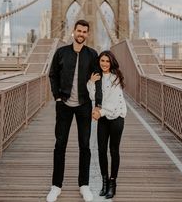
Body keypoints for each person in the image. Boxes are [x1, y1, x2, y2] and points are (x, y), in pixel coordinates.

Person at [47, 19, 102, 202]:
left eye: (85, 32)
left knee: (85, 146)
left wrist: (98, 105)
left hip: (84, 106)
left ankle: (84, 185)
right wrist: (56, 96)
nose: (81, 34)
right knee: (59, 145)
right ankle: (56, 186)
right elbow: (53, 74)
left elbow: (98, 80)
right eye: (79, 31)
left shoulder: (92, 55)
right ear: (74, 32)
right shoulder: (61, 53)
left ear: (88, 34)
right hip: (64, 106)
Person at [87, 50, 127, 199]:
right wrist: (91, 82)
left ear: (111, 63)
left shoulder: (116, 78)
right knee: (101, 150)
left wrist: (99, 113)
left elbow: (114, 103)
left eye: (107, 61)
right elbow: (92, 96)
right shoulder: (96, 77)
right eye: (102, 61)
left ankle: (112, 183)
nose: (104, 64)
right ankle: (104, 182)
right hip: (103, 117)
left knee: (113, 150)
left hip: (116, 117)